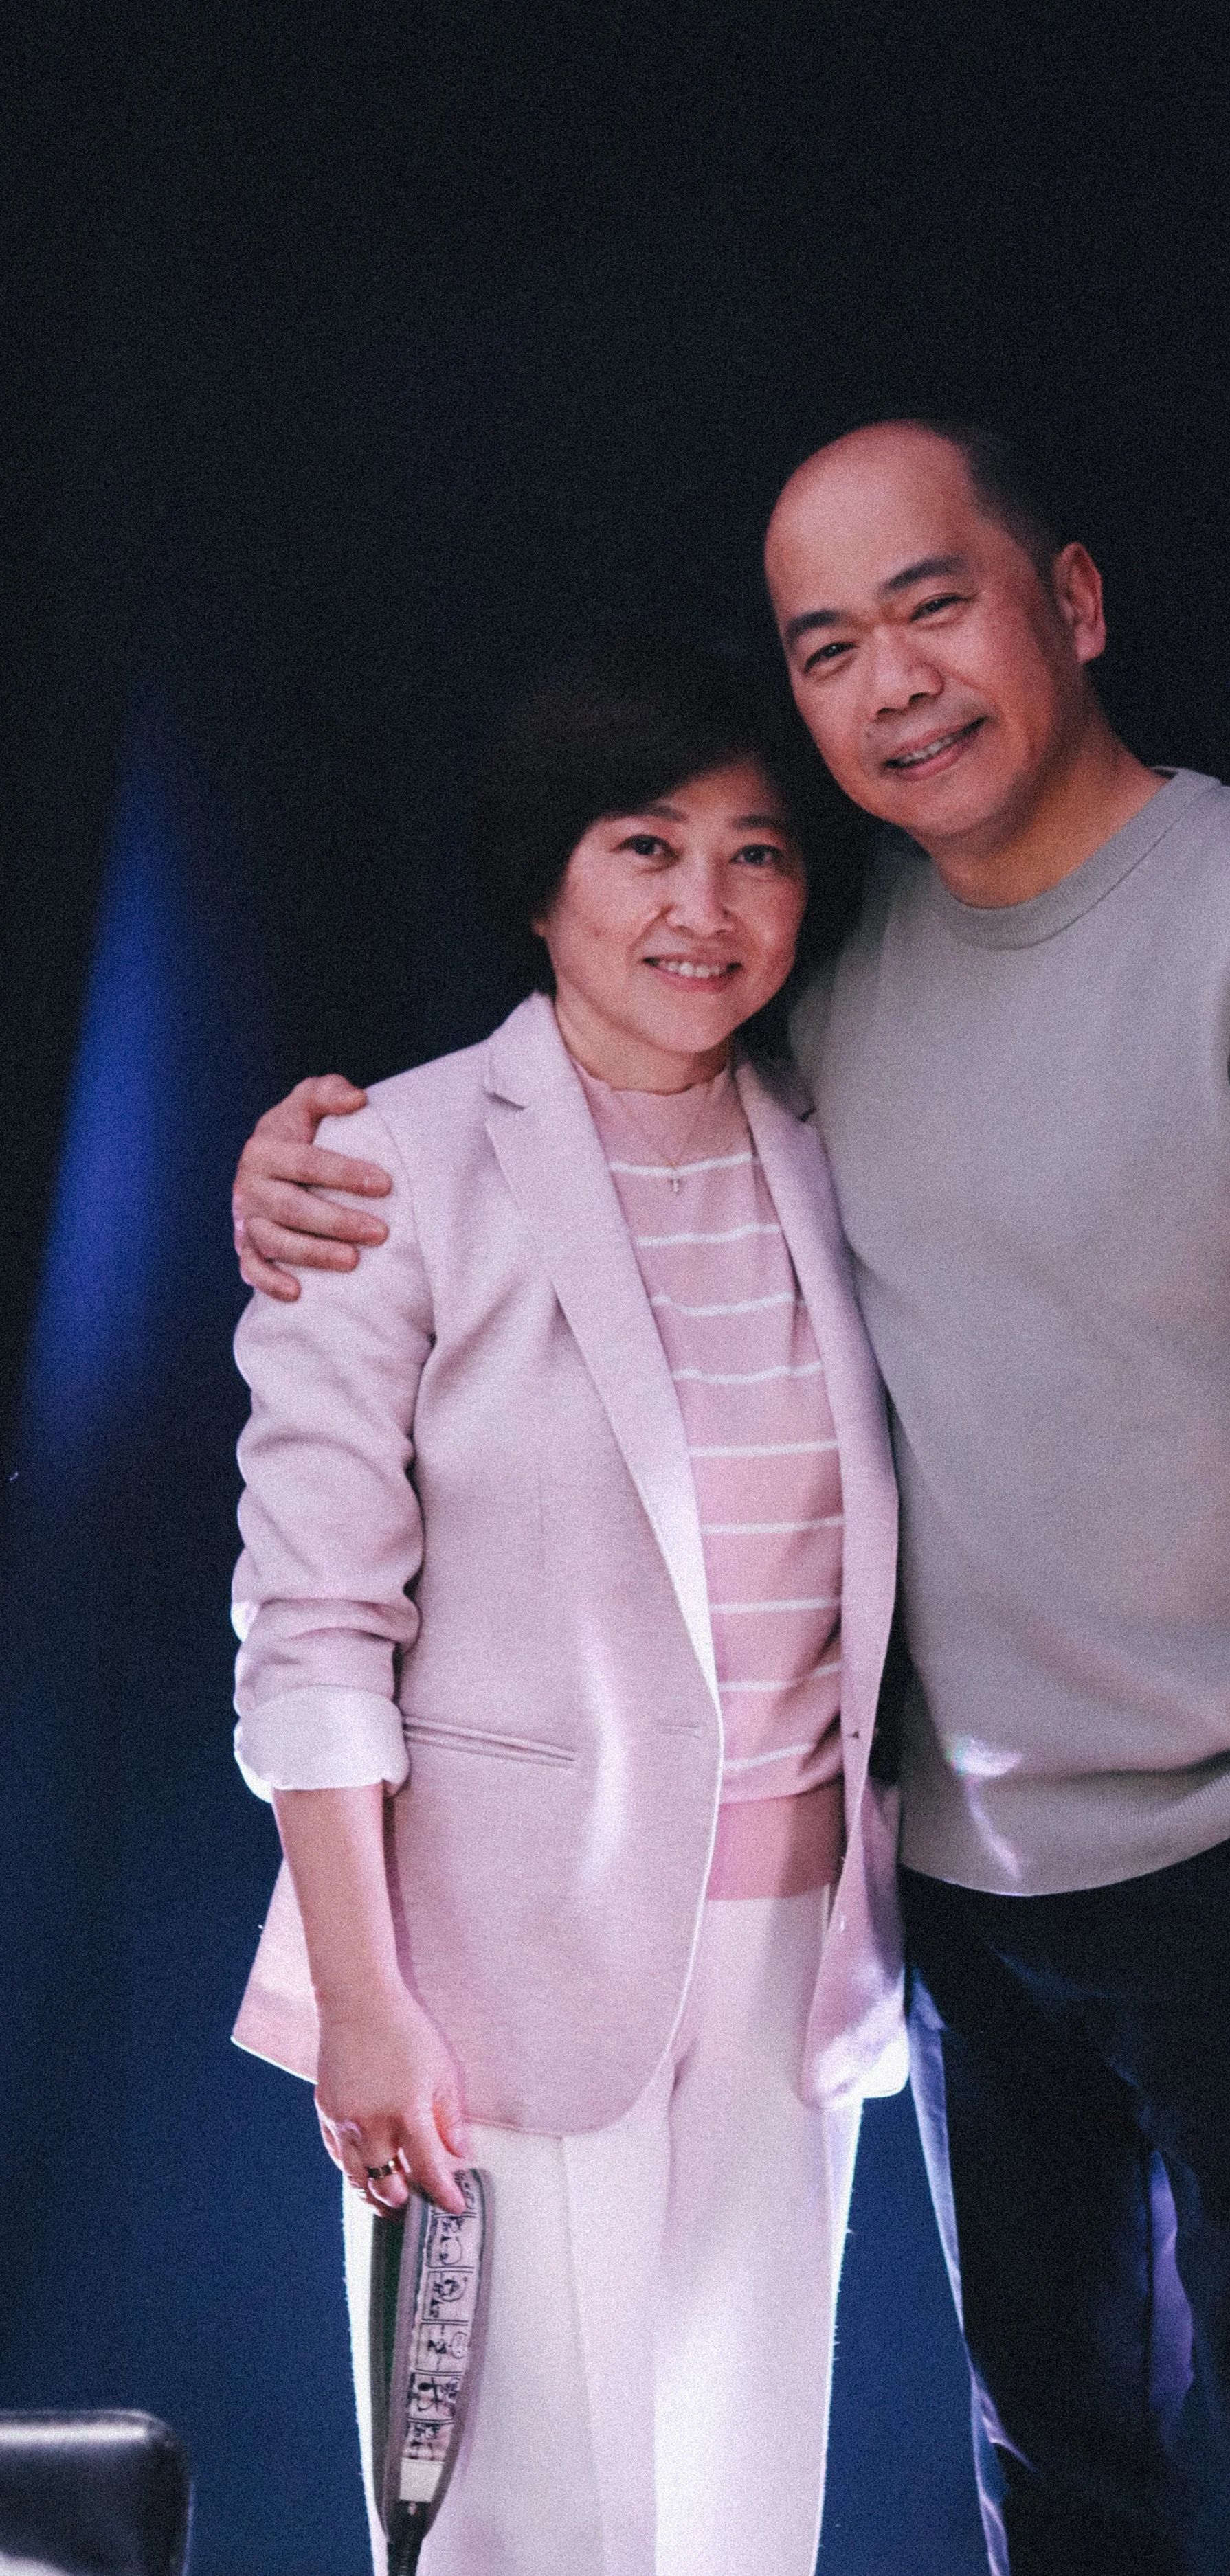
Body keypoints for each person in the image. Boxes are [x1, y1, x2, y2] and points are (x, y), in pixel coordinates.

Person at [234, 422, 1230, 2576]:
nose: (889, 683)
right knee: (1055, 2472)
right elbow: (558, 1178)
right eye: (827, 644)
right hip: (942, 1891)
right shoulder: (833, 993)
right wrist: (296, 1170)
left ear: (1071, 600)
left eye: (931, 606)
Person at [226, 636, 907, 2576]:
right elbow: (312, 1624)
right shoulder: (387, 1165)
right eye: (644, 847)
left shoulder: (833, 1146)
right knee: (522, 2532)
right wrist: (366, 1996)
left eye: (760, 854)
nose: (705, 907)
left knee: (737, 2523)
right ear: (543, 883)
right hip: (490, 1953)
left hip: (793, 1959)